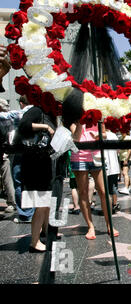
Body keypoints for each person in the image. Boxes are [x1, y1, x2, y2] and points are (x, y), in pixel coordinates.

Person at [16, 105, 57, 252]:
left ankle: (44, 233)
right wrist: (45, 126)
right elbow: (24, 125)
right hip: (35, 164)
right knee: (41, 204)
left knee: (45, 203)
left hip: (43, 163)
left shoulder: (49, 114)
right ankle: (34, 241)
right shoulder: (38, 110)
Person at [70, 122, 119, 240]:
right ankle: (90, 226)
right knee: (83, 192)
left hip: (96, 156)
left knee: (103, 191)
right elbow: (75, 138)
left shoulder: (96, 117)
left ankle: (109, 225)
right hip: (79, 157)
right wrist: (80, 123)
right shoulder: (74, 119)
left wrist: (98, 136)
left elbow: (105, 134)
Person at [0, 96, 34, 222]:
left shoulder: (20, 113)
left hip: (20, 150)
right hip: (36, 151)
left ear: (21, 103)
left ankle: (25, 214)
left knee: (19, 181)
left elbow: (4, 117)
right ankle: (35, 211)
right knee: (32, 181)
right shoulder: (40, 111)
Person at [0, 98, 16, 214]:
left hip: (5, 151)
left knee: (7, 178)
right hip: (6, 151)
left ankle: (12, 202)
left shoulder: (5, 118)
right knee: (8, 178)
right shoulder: (10, 118)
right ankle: (12, 202)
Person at [104, 130, 121, 214]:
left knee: (104, 187)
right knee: (113, 186)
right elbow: (118, 150)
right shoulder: (114, 135)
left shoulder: (99, 134)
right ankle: (114, 204)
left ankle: (107, 206)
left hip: (104, 164)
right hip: (114, 165)